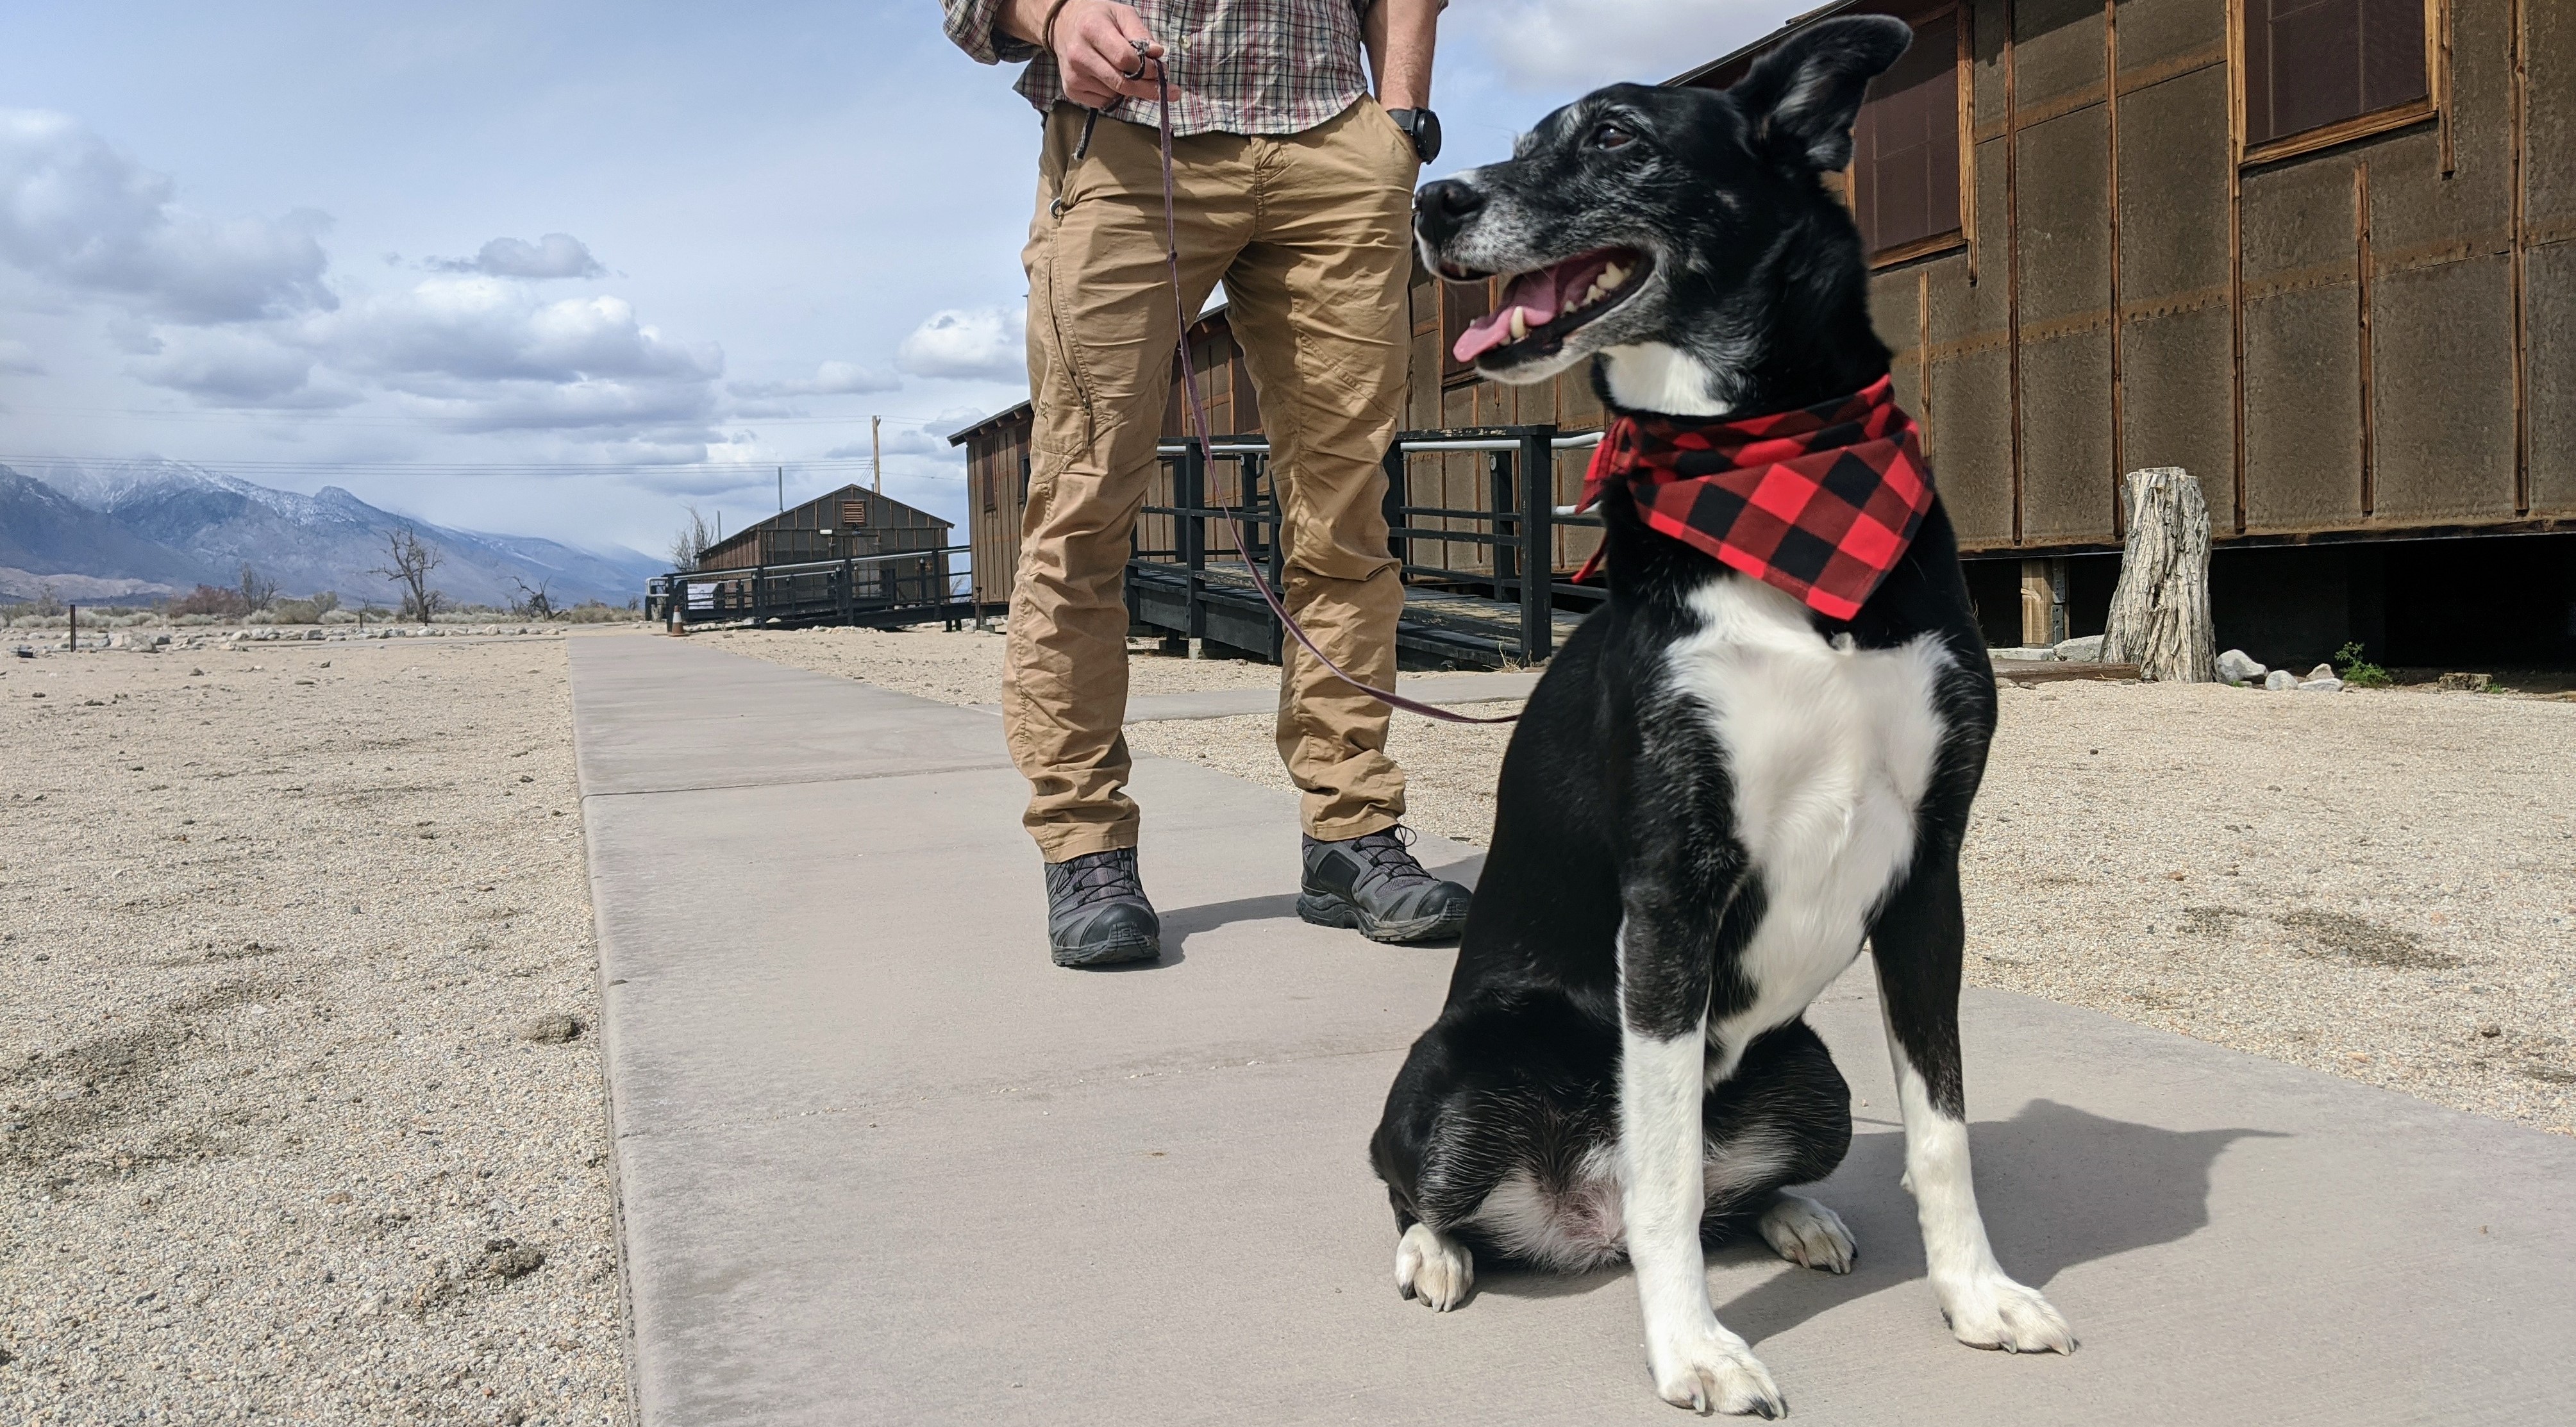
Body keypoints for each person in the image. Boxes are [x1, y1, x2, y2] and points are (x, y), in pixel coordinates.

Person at [942, 0, 1471, 967]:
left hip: (1335, 141)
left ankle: (1350, 834)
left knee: (1346, 515)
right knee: (1081, 506)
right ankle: (1086, 847)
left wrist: (1397, 123)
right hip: (1128, 140)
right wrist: (1053, 15)